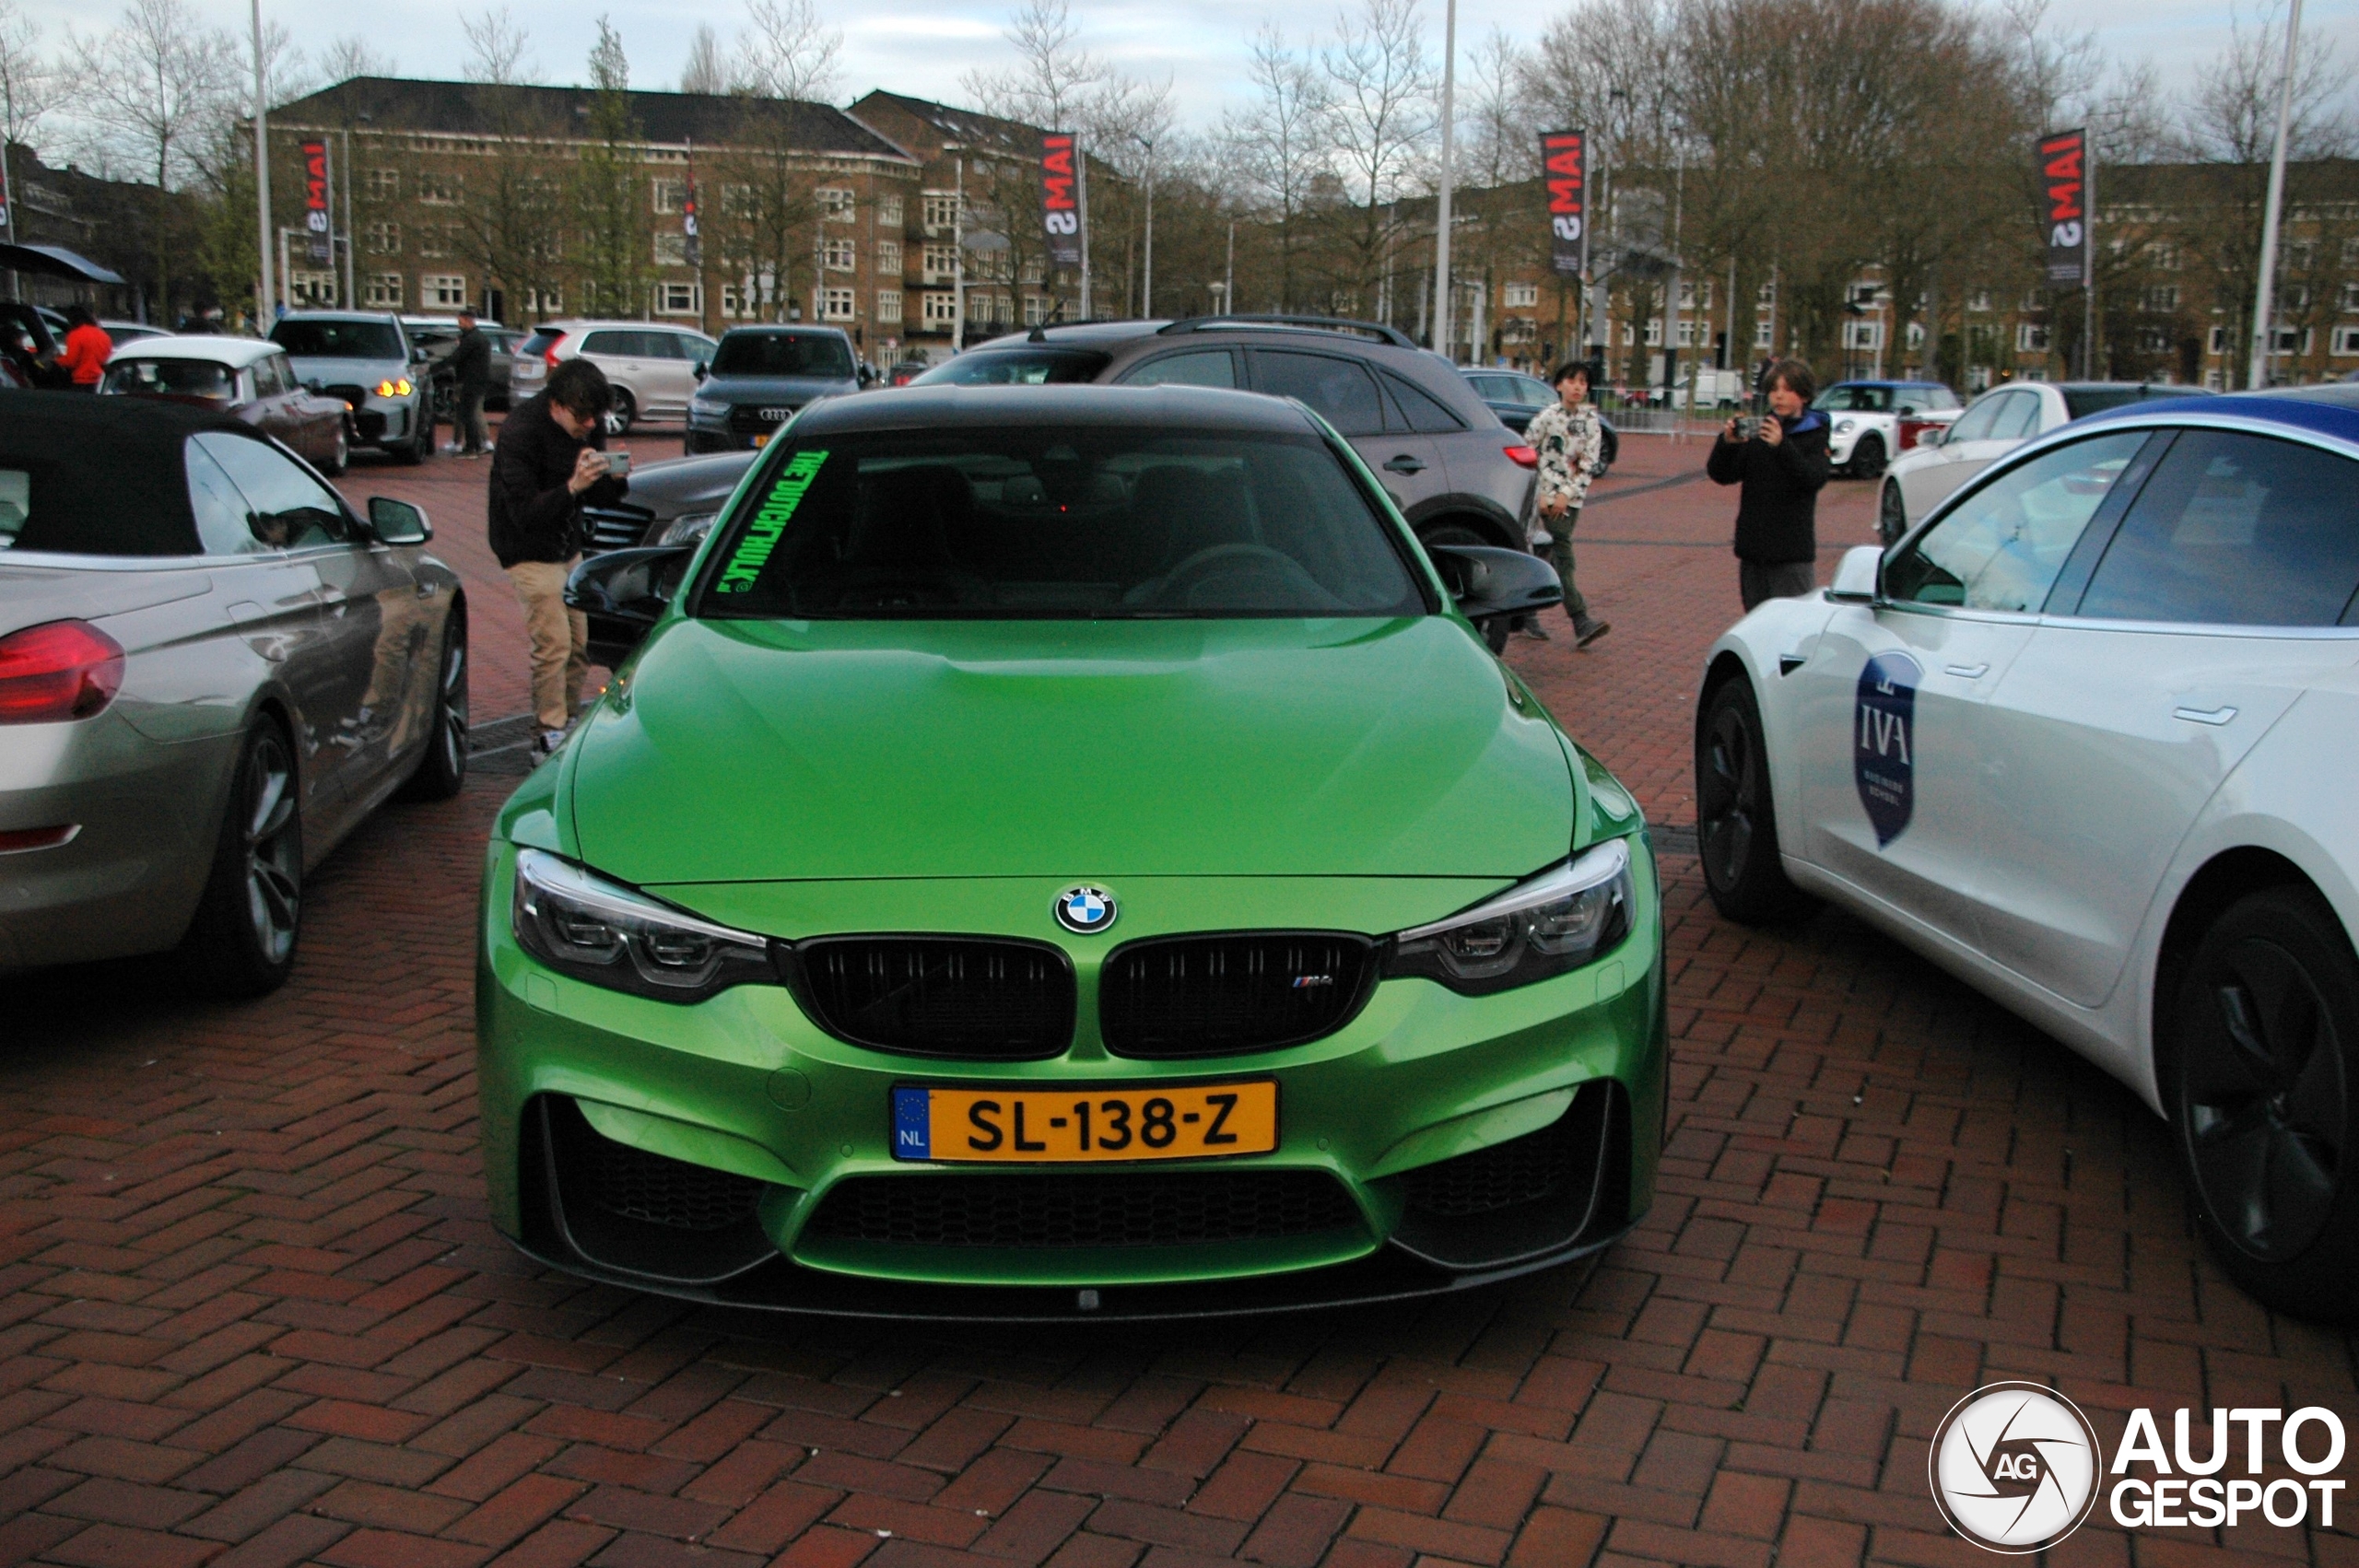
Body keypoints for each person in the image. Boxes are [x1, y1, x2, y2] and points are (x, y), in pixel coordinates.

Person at [489, 357, 628, 758]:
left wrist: (613, 482)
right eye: (582, 417)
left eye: (595, 418)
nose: (590, 426)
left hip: (566, 544)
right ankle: (547, 730)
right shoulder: (521, 432)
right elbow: (524, 513)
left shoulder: (589, 424)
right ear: (557, 404)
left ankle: (565, 720)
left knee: (579, 643)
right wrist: (572, 487)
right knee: (554, 642)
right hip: (525, 546)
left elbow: (599, 496)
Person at [1707, 357, 1831, 611]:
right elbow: (1722, 474)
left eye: (1788, 390)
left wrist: (1782, 446)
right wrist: (1727, 444)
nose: (1779, 396)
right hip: (1754, 549)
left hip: (1790, 553)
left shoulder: (1814, 434)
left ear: (1804, 395)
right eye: (1774, 390)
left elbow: (1812, 479)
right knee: (1755, 623)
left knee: (1792, 623)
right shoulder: (1759, 433)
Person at [1521, 359, 1610, 646]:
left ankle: (1525, 613)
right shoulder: (1547, 417)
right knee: (1561, 553)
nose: (1577, 387)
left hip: (1568, 501)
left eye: (1583, 382)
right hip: (1543, 498)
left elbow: (1588, 464)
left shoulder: (1591, 423)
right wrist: (1543, 495)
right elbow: (1527, 452)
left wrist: (1565, 495)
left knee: (1545, 555)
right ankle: (1580, 619)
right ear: (1559, 385)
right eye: (1572, 381)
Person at [448, 310, 493, 458]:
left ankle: (472, 446)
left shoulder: (472, 340)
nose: (459, 325)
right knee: (471, 413)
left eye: (461, 322)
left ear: (468, 321)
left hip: (469, 382)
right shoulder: (478, 338)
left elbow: (456, 357)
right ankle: (477, 444)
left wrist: (431, 369)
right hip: (476, 382)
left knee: (469, 414)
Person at [57, 308, 111, 392]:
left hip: (81, 382)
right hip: (100, 381)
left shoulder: (75, 335)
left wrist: (56, 360)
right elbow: (106, 359)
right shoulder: (103, 335)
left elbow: (71, 361)